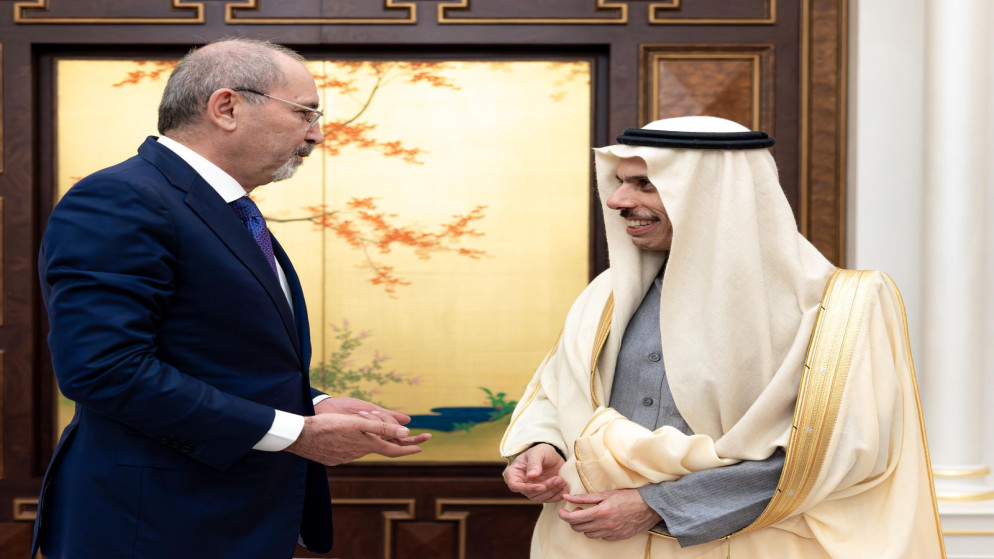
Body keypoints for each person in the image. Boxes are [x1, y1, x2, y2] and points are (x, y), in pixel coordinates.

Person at [33, 38, 430, 559]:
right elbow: (104, 370)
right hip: (150, 526)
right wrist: (296, 433)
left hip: (218, 521)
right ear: (226, 108)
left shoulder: (220, 206)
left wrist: (313, 404)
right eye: (305, 112)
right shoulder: (122, 198)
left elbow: (210, 355)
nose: (316, 133)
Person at [501, 116, 944, 557]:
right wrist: (545, 446)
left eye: (645, 185)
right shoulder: (605, 294)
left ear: (711, 192)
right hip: (593, 543)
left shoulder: (839, 306)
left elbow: (845, 449)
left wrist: (661, 505)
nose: (617, 200)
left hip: (755, 543)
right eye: (620, 182)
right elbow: (559, 393)